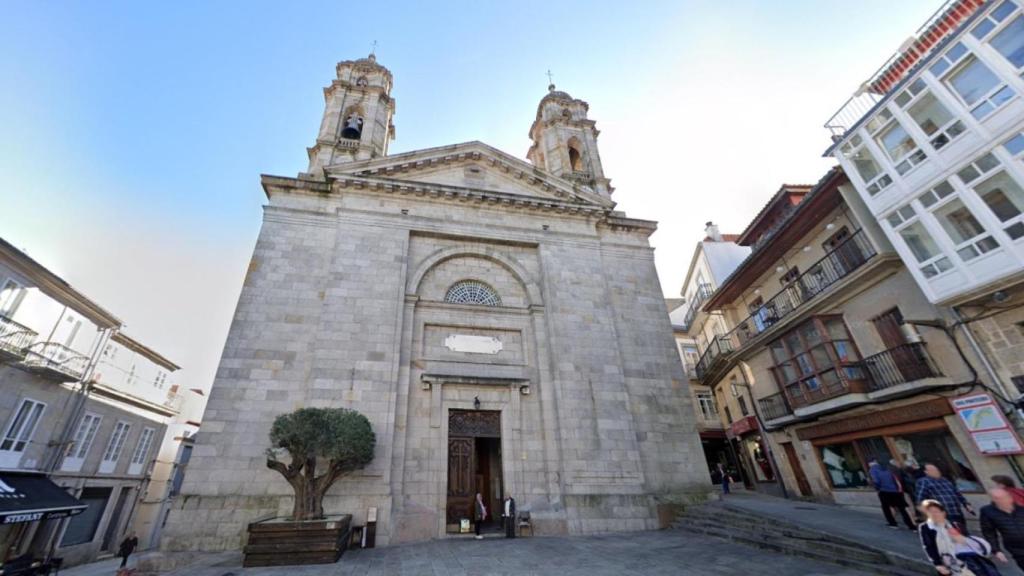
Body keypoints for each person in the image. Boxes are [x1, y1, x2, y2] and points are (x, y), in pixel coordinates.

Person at [919, 499, 1001, 575]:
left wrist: (959, 537)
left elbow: (967, 539)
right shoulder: (926, 527)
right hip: (950, 561)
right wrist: (937, 564)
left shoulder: (953, 524)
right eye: (930, 512)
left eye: (936, 511)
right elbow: (929, 546)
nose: (934, 514)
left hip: (971, 557)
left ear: (943, 512)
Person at [917, 463, 975, 533]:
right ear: (926, 472)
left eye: (937, 469)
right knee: (952, 534)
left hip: (956, 511)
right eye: (933, 470)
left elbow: (956, 493)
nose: (937, 471)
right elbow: (921, 498)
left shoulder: (945, 480)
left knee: (963, 531)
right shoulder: (924, 481)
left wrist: (966, 504)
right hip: (943, 513)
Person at [981, 487, 1024, 571]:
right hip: (1017, 550)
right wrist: (996, 550)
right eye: (1000, 498)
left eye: (1006, 496)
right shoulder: (987, 511)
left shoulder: (1021, 508)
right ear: (994, 500)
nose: (1006, 499)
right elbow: (989, 532)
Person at [869, 458, 915, 530]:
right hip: (897, 491)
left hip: (884, 491)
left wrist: (876, 487)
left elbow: (876, 481)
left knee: (886, 508)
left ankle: (893, 523)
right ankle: (911, 525)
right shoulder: (891, 468)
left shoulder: (873, 469)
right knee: (902, 509)